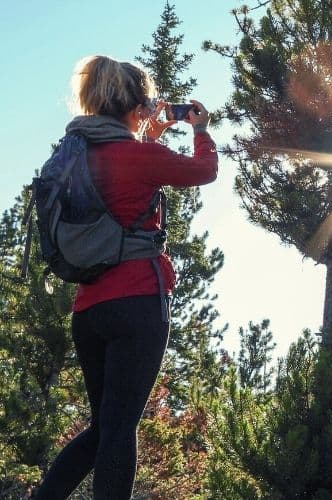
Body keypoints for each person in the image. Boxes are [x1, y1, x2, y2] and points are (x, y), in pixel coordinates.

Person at [33, 55, 218, 499]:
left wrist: (147, 135)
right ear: (136, 106)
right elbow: (203, 171)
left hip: (89, 310)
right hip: (137, 301)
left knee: (103, 429)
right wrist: (200, 129)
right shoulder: (140, 156)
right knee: (119, 431)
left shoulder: (74, 155)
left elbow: (117, 184)